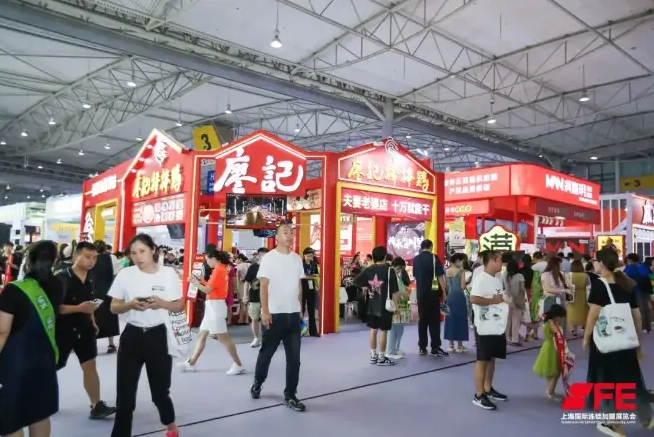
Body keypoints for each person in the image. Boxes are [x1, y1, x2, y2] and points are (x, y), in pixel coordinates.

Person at [108, 234, 183, 437]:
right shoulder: (125, 274)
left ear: (153, 250)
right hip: (131, 336)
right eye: (133, 253)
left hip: (158, 336)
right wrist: (130, 305)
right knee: (124, 394)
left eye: (142, 251)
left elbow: (179, 305)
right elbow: (114, 307)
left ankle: (170, 425)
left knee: (160, 392)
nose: (138, 257)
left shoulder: (168, 274)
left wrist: (161, 303)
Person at [585, 249, 654, 435]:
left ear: (601, 263)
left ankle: (614, 424)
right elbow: (637, 316)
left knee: (607, 381)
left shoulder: (599, 284)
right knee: (631, 380)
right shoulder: (625, 284)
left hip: (606, 342)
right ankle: (647, 418)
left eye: (595, 261)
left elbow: (593, 314)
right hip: (626, 340)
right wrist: (637, 341)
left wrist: (586, 337)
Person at [0, 241, 62, 437]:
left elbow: (2, 331)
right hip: (44, 360)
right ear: (55, 260)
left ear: (27, 260)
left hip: (15, 363)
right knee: (39, 414)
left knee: (10, 419)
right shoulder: (57, 285)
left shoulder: (14, 290)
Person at [55, 241, 116, 420]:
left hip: (85, 328)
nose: (91, 261)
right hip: (63, 330)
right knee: (52, 367)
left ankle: (96, 405)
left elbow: (89, 303)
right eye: (88, 257)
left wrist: (92, 320)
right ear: (76, 256)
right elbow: (55, 308)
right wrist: (79, 308)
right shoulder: (61, 278)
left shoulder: (91, 277)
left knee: (90, 365)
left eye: (94, 258)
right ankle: (40, 399)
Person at [250, 224, 306, 412]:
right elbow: (264, 285)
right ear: (277, 237)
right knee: (266, 353)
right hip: (274, 315)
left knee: (294, 359)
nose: (289, 236)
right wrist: (265, 311)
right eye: (285, 233)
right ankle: (258, 382)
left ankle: (290, 395)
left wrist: (300, 308)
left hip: (293, 314)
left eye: (291, 233)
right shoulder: (269, 258)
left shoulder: (297, 259)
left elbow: (298, 285)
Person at [181, 250, 244, 375]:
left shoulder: (218, 271)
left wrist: (195, 283)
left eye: (207, 259)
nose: (206, 262)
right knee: (202, 334)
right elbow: (212, 287)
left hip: (215, 306)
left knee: (223, 338)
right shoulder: (220, 270)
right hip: (213, 306)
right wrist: (201, 281)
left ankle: (238, 364)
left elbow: (208, 290)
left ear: (213, 258)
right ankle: (191, 363)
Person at [470, 250, 509, 410]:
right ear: (492, 261)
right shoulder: (481, 279)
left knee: (492, 358)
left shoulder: (497, 278)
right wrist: (494, 301)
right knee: (483, 359)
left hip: (496, 324)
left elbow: (499, 298)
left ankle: (488, 388)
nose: (502, 263)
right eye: (500, 260)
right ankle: (479, 394)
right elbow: (473, 299)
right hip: (484, 326)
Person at [353, 245, 399, 365]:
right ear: (385, 256)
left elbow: (355, 281)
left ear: (373, 257)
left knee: (373, 331)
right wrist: (396, 307)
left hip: (372, 305)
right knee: (384, 331)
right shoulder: (389, 271)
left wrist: (367, 287)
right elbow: (395, 291)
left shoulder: (369, 269)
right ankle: (382, 357)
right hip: (385, 306)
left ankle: (373, 356)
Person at [412, 239, 448, 357]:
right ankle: (435, 348)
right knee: (434, 321)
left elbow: (416, 276)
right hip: (433, 293)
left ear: (421, 247)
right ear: (431, 247)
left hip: (421, 293)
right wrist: (444, 291)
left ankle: (422, 347)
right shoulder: (434, 258)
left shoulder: (415, 259)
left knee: (422, 320)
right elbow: (440, 276)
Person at [532, 304, 569, 400]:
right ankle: (550, 392)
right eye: (561, 317)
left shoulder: (549, 321)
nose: (562, 320)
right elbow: (556, 331)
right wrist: (555, 322)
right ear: (556, 316)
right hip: (552, 348)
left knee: (551, 372)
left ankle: (549, 390)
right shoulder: (550, 322)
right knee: (555, 373)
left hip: (550, 347)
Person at [92, 240, 119, 354]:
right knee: (110, 316)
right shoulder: (111, 258)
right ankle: (111, 344)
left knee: (94, 316)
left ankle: (93, 343)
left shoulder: (91, 258)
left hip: (94, 291)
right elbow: (117, 272)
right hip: (108, 291)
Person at [243, 247, 269, 347]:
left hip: (267, 298)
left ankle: (267, 339)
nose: (264, 256)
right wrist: (245, 295)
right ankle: (256, 338)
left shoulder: (271, 267)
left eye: (266, 255)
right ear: (258, 255)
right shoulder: (253, 267)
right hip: (254, 297)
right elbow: (247, 281)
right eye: (262, 254)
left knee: (266, 319)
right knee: (254, 318)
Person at [386, 257, 411, 359]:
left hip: (402, 303)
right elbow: (393, 292)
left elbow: (399, 287)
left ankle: (396, 348)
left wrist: (405, 289)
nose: (400, 270)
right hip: (395, 304)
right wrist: (403, 293)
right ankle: (390, 350)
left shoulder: (397, 274)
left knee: (400, 328)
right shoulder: (390, 274)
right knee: (393, 329)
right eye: (399, 268)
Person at [444, 253, 469, 352]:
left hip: (450, 297)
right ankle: (459, 345)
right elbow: (463, 287)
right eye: (462, 261)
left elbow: (446, 286)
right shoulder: (461, 271)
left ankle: (450, 345)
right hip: (459, 297)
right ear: (458, 261)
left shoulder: (447, 270)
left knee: (450, 320)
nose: (463, 263)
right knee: (460, 320)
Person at [541, 256, 573, 333]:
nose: (561, 266)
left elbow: (568, 284)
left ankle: (561, 337)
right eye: (560, 264)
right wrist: (563, 290)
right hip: (550, 300)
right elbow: (547, 288)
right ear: (555, 265)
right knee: (551, 322)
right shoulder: (545, 274)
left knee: (562, 321)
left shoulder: (560, 274)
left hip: (560, 300)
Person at [624, 253, 653, 333]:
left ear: (629, 260)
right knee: (646, 308)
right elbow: (651, 276)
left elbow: (624, 277)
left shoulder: (629, 268)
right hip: (646, 290)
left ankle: (641, 326)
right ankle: (647, 327)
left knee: (639, 309)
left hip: (636, 290)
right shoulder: (645, 267)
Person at [505, 258, 526, 346]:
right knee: (516, 321)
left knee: (507, 320)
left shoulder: (506, 275)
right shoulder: (520, 276)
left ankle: (506, 338)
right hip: (517, 299)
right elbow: (522, 289)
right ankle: (514, 340)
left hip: (507, 299)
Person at [300, 247, 320, 337]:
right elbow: (301, 276)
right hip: (302, 288)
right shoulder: (300, 264)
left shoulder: (314, 264)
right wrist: (310, 276)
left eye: (311, 256)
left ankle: (313, 331)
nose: (310, 257)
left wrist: (316, 284)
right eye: (308, 256)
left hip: (311, 288)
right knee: (301, 309)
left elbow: (316, 275)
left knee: (312, 310)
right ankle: (300, 329)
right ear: (304, 255)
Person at [567, 260, 589, 336]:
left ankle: (573, 329)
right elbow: (588, 284)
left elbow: (567, 284)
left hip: (572, 294)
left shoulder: (569, 275)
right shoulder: (585, 275)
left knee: (572, 310)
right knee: (583, 310)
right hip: (582, 294)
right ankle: (584, 327)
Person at [235, 254, 250, 324]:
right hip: (248, 285)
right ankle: (246, 319)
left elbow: (238, 276)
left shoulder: (239, 266)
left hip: (241, 285)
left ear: (240, 259)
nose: (236, 261)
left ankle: (241, 319)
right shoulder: (249, 265)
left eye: (236, 259)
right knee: (247, 304)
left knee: (242, 304)